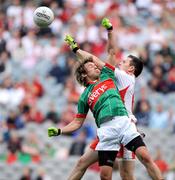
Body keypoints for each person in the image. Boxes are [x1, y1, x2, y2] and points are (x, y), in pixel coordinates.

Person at [48, 36, 163, 180]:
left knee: (137, 164)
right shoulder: (85, 95)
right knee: (97, 170)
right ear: (84, 74)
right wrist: (60, 130)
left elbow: (105, 55)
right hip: (107, 129)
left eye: (124, 61)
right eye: (91, 67)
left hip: (124, 123)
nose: (96, 66)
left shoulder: (110, 76)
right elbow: (77, 122)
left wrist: (108, 33)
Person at [67, 18, 141, 180]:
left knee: (126, 174)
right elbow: (93, 60)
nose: (120, 62)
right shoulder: (111, 77)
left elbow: (95, 59)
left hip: (123, 125)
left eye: (124, 62)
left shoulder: (122, 77)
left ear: (131, 69)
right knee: (83, 163)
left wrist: (75, 49)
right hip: (111, 128)